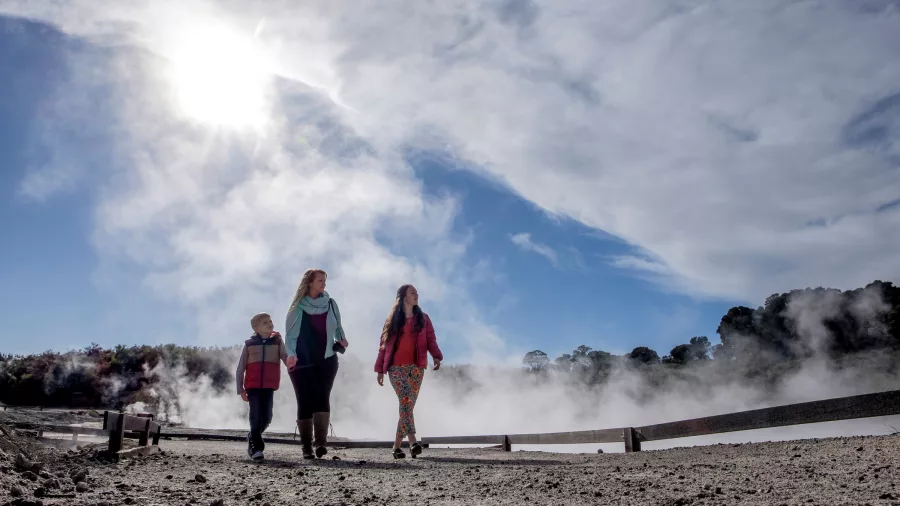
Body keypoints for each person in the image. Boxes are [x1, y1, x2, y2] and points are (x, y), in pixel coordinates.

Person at [284, 268, 349, 459]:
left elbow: (338, 327)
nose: (324, 283)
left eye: (325, 280)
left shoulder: (330, 303)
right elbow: (290, 335)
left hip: (327, 359)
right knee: (304, 400)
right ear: (310, 282)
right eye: (320, 280)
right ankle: (307, 448)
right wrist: (291, 355)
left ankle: (321, 444)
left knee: (322, 397)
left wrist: (342, 339)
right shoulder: (297, 306)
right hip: (301, 362)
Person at [373, 284, 443, 459]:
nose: (416, 295)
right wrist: (380, 370)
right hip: (395, 368)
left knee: (407, 407)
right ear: (404, 297)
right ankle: (413, 441)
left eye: (417, 293)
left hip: (416, 368)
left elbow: (431, 339)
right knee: (405, 399)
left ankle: (396, 447)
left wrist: (436, 356)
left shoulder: (424, 319)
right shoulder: (392, 320)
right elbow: (383, 347)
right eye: (413, 292)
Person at [235, 312, 288, 460]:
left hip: (269, 385)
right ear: (256, 328)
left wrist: (292, 363)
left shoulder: (277, 341)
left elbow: (285, 356)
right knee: (255, 416)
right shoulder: (249, 344)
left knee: (267, 417)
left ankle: (252, 435)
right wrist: (240, 389)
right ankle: (256, 448)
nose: (270, 324)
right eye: (265, 322)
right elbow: (240, 368)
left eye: (270, 321)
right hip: (252, 386)